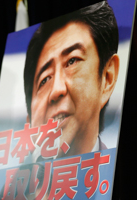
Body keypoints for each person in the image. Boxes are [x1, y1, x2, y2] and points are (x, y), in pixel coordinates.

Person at [23, 1, 119, 160]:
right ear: (29, 120)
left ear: (107, 78)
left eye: (72, 61)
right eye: (45, 79)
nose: (56, 90)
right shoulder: (6, 185)